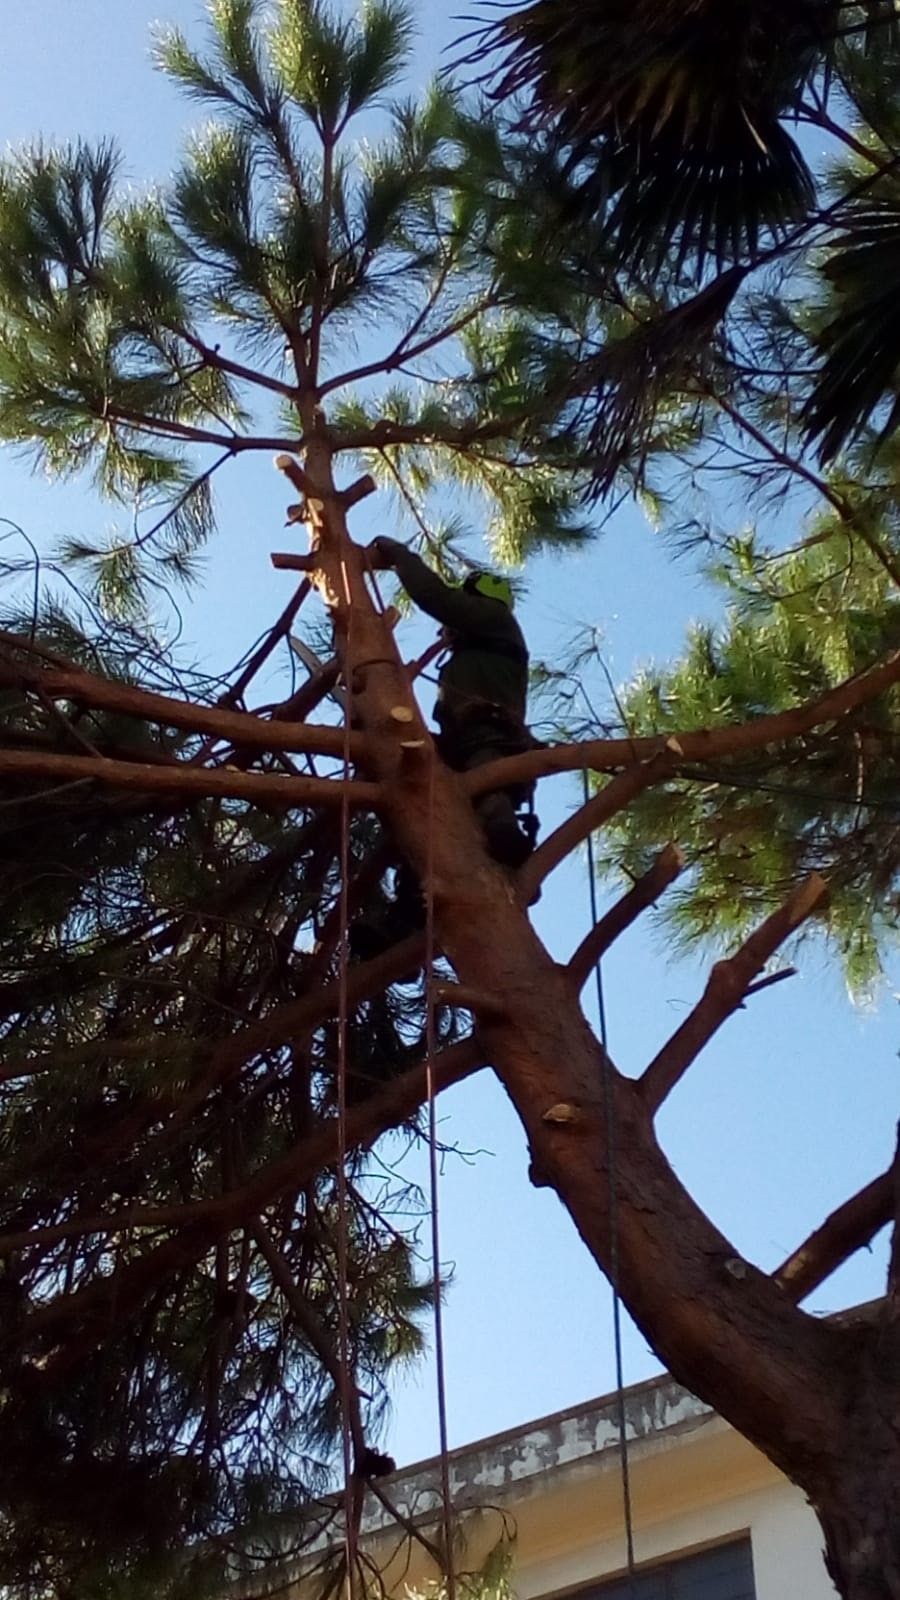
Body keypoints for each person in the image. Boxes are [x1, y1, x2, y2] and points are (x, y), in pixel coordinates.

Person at [366, 537, 537, 867]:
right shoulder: (481, 644)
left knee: (488, 792)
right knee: (424, 813)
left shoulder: (494, 617)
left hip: (487, 738)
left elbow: (436, 597)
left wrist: (401, 555)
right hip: (466, 741)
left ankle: (504, 837)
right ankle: (411, 901)